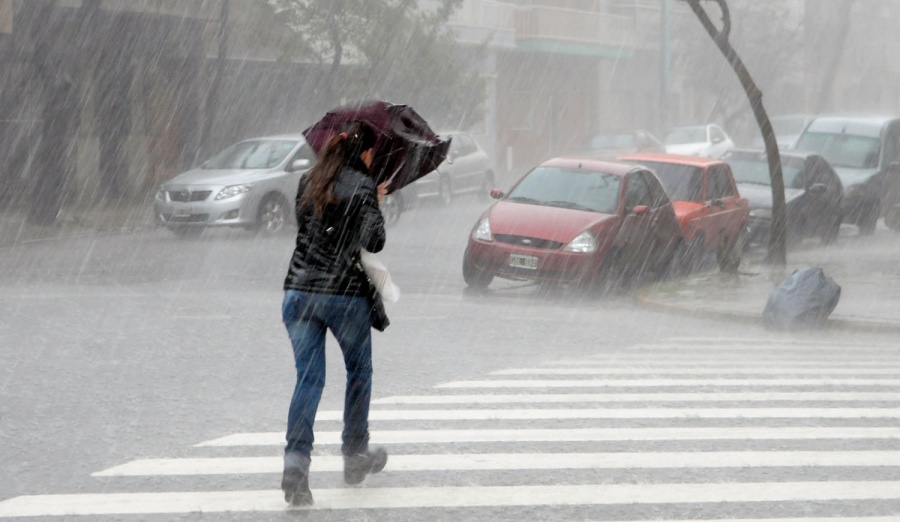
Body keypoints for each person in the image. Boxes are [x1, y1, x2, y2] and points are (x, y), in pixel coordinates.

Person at [280, 121, 389, 506]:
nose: (373, 159)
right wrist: (373, 200)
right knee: (359, 372)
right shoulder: (362, 186)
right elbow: (373, 239)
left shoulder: (307, 181)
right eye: (373, 153)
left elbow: (310, 229)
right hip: (343, 296)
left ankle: (295, 465)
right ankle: (355, 454)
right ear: (364, 152)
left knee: (308, 381)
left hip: (297, 292)